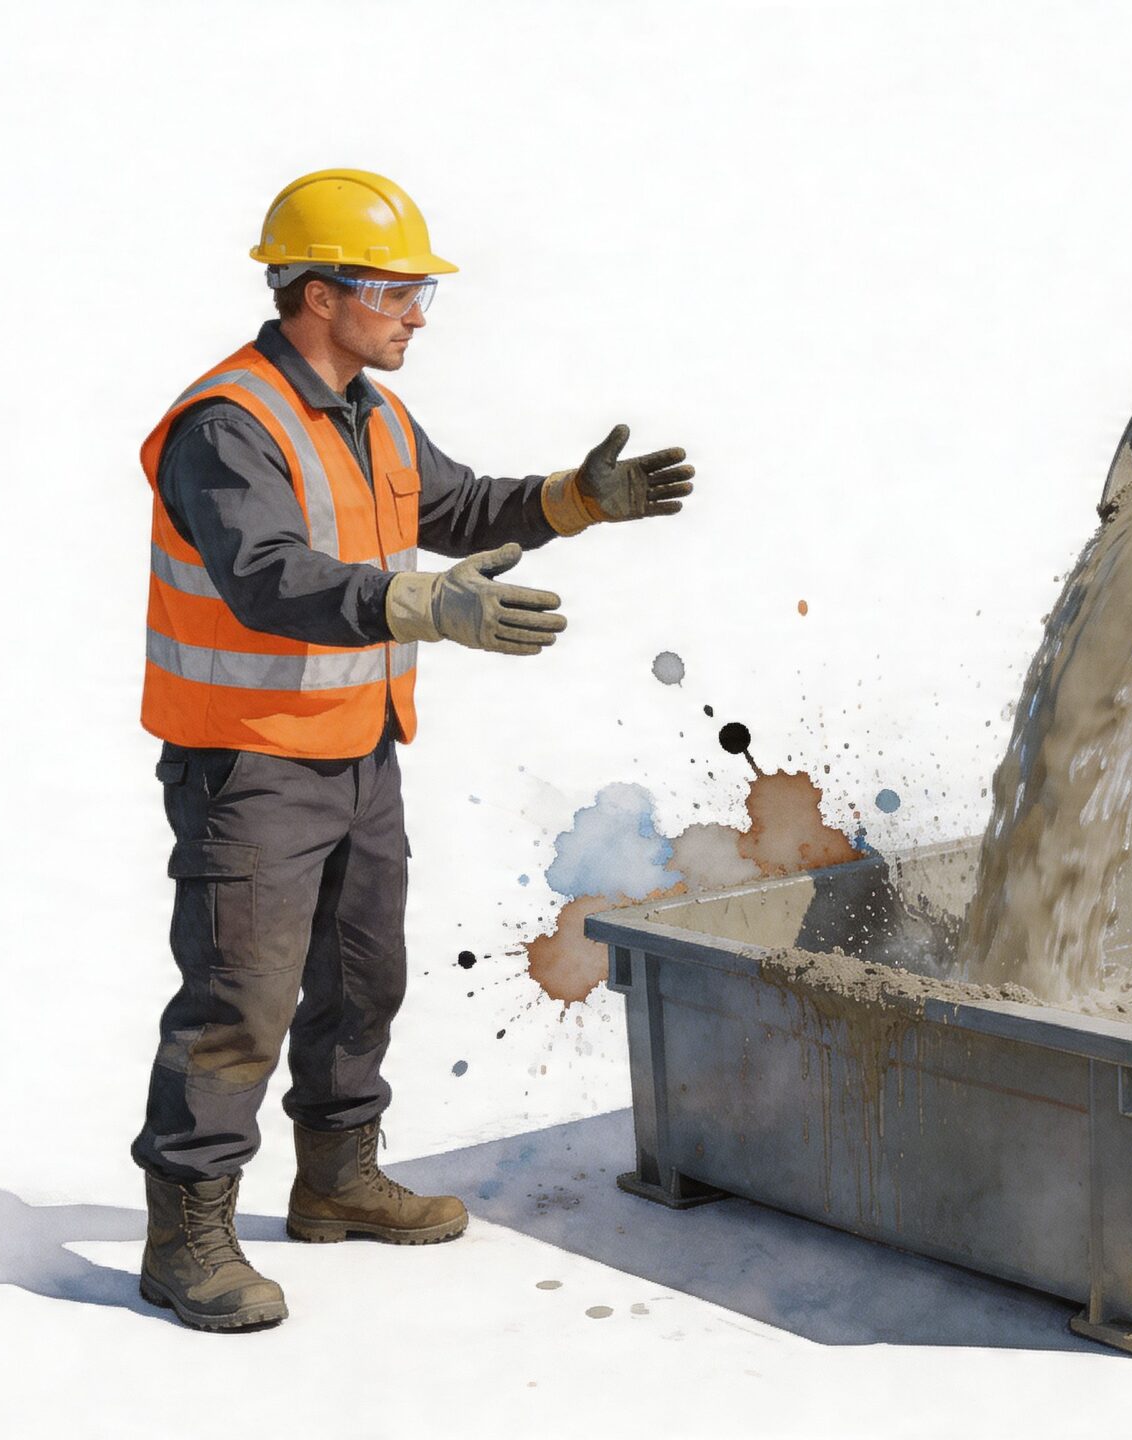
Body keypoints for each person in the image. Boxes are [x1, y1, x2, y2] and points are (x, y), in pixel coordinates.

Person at [130, 168, 692, 1331]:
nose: (418, 313)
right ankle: (187, 1237)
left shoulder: (366, 412)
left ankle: (336, 1180)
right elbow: (266, 577)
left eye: (420, 290)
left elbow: (456, 506)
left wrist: (578, 499)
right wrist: (423, 607)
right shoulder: (230, 423)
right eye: (397, 290)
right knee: (240, 998)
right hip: (248, 764)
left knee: (360, 977)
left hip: (357, 752)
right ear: (318, 293)